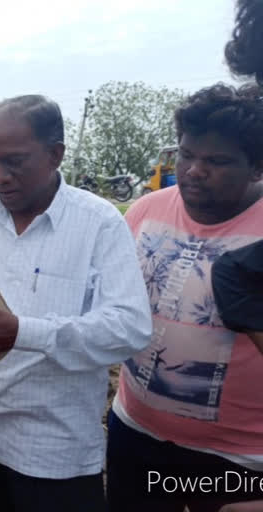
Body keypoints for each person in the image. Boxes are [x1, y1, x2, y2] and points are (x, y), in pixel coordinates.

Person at [0, 95, 152, 512]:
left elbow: (129, 327)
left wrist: (24, 332)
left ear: (55, 154)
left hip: (52, 445)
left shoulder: (98, 223)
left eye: (15, 162)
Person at [106, 83, 263, 512]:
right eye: (187, 154)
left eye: (216, 161)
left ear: (256, 168)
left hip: (238, 459)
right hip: (135, 430)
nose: (193, 170)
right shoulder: (145, 211)